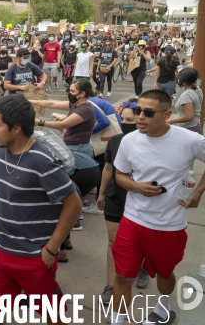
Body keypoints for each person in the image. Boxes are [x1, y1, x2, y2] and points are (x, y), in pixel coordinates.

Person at [0, 94, 82, 324]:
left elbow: (74, 204)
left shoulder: (42, 161)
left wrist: (51, 249)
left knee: (53, 316)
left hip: (33, 257)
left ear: (16, 128)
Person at [110, 90, 205, 325]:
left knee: (165, 273)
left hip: (169, 224)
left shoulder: (189, 140)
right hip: (133, 219)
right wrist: (135, 186)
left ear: (167, 114)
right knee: (122, 276)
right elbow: (120, 175)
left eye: (148, 113)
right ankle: (116, 321)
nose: (140, 117)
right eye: (137, 110)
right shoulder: (129, 140)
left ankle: (163, 308)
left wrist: (198, 191)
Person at [95, 100, 150, 302]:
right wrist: (101, 193)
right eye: (123, 119)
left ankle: (143, 268)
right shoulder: (115, 140)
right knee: (113, 242)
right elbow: (108, 168)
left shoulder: (151, 142)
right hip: (115, 198)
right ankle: (110, 285)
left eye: (130, 119)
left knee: (140, 242)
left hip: (140, 200)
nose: (126, 123)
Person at [30, 79, 97, 157]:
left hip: (78, 149)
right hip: (73, 146)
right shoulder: (75, 104)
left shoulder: (85, 109)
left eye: (72, 91)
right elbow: (52, 104)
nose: (69, 94)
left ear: (82, 94)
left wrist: (39, 122)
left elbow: (62, 125)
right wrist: (30, 101)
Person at [168, 67, 203, 133]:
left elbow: (189, 116)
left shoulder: (186, 95)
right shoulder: (197, 89)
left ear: (184, 81)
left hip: (188, 129)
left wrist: (171, 121)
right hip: (195, 126)